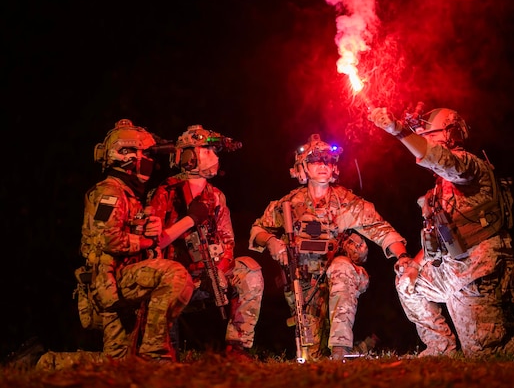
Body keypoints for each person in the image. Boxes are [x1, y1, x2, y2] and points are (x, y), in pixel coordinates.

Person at [368, 104, 514, 358]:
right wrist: (413, 267)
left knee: (486, 354)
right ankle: (440, 349)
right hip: (450, 271)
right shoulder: (439, 189)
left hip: (477, 272)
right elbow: (438, 240)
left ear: (451, 134)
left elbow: (440, 159)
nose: (425, 141)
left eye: (431, 135)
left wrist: (397, 130)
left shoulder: (469, 167)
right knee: (407, 282)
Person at [249, 133, 410, 361]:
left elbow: (381, 230)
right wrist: (272, 242)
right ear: (303, 167)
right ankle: (342, 353)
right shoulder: (289, 204)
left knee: (342, 267)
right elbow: (257, 231)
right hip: (305, 284)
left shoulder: (346, 201)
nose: (323, 165)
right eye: (316, 161)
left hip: (339, 278)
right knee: (312, 355)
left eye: (328, 161)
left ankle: (340, 351)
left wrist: (402, 256)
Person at [77, 119, 198, 362]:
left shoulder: (129, 193)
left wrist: (147, 230)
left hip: (121, 280)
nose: (147, 161)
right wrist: (147, 242)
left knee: (119, 364)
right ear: (124, 155)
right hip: (110, 282)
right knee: (174, 274)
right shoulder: (109, 192)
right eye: (141, 153)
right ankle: (155, 355)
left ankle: (44, 361)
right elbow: (109, 240)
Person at [148, 124, 264, 359]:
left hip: (209, 276)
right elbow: (152, 244)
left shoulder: (216, 196)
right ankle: (165, 352)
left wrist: (221, 271)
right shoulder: (166, 192)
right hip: (176, 275)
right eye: (207, 151)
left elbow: (227, 241)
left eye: (215, 152)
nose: (214, 158)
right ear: (189, 156)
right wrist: (190, 220)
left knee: (249, 270)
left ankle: (237, 348)